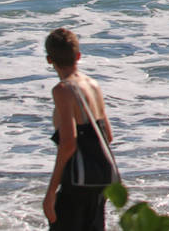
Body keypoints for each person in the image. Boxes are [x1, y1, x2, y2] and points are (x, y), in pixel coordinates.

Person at [44, 27, 113, 230]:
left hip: (77, 179)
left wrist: (50, 192)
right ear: (78, 56)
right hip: (101, 177)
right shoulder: (93, 85)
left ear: (49, 60)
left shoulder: (63, 89)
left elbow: (68, 144)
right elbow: (107, 135)